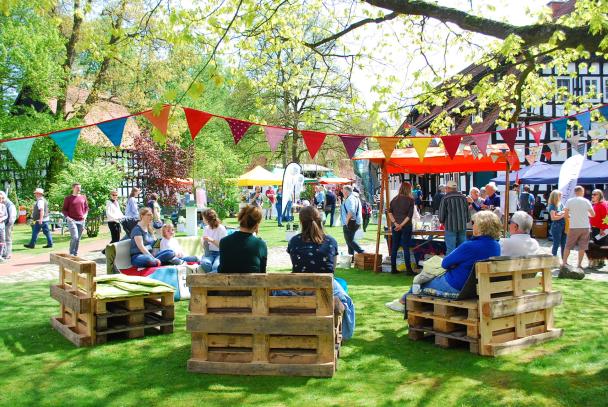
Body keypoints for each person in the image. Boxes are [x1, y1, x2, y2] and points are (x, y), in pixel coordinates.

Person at [386, 211, 501, 312]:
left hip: (457, 286)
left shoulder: (470, 246)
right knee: (430, 276)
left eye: (474, 222)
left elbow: (445, 263)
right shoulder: (496, 246)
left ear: (481, 226)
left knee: (422, 280)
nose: (472, 225)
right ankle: (403, 301)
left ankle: (403, 302)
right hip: (477, 287)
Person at [287, 206, 338, 273]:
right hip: (325, 282)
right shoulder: (331, 241)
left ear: (301, 222)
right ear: (320, 220)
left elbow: (295, 263)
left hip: (299, 282)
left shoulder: (294, 241)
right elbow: (332, 269)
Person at [218, 205, 267, 273]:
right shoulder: (260, 245)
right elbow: (262, 272)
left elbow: (222, 269)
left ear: (240, 221)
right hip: (253, 283)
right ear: (256, 225)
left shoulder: (224, 241)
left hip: (229, 283)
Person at [563, 186, 595, 268]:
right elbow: (593, 214)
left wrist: (572, 215)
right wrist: (585, 214)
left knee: (568, 246)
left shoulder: (569, 201)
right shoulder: (586, 201)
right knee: (582, 246)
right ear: (582, 192)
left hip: (573, 226)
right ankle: (579, 264)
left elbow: (565, 215)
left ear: (575, 192)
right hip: (585, 226)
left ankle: (564, 263)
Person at [388, 182, 415, 274]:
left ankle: (393, 268)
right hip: (406, 226)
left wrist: (396, 224)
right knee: (405, 247)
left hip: (395, 226)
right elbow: (409, 216)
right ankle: (408, 269)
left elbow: (389, 213)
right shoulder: (410, 200)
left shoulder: (394, 199)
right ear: (409, 189)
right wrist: (402, 225)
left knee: (394, 247)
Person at [438, 180, 470, 255]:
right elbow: (467, 212)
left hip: (450, 226)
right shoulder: (463, 198)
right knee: (462, 248)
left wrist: (442, 221)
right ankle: (462, 265)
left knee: (450, 249)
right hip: (462, 225)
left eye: (446, 188)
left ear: (448, 188)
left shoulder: (445, 198)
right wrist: (466, 220)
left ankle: (450, 266)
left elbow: (442, 214)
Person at [62, 183, 89, 256]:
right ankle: (71, 253)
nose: (79, 189)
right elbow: (64, 210)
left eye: (80, 188)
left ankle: (75, 253)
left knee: (78, 239)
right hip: (72, 221)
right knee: (75, 237)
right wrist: (68, 218)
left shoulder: (83, 197)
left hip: (81, 221)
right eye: (77, 188)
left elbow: (86, 208)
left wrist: (85, 215)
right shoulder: (68, 198)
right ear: (73, 188)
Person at [341, 185, 365, 258]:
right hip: (355, 222)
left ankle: (362, 252)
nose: (342, 192)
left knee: (349, 241)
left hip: (350, 222)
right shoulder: (354, 197)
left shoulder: (350, 199)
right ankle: (351, 258)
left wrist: (347, 222)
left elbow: (351, 211)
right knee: (350, 241)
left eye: (343, 190)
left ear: (346, 191)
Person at [200, 209, 227, 273]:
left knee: (216, 266)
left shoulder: (221, 229)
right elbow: (203, 241)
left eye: (203, 218)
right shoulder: (206, 228)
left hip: (220, 253)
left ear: (207, 219)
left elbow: (223, 246)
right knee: (205, 263)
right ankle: (212, 277)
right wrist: (203, 242)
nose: (202, 219)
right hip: (209, 253)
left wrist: (212, 240)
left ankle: (210, 277)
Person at [587, 189, 608, 268]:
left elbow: (606, 217)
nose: (593, 196)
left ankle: (596, 262)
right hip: (597, 228)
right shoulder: (597, 204)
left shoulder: (602, 204)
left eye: (595, 194)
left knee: (597, 246)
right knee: (600, 245)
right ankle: (600, 261)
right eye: (592, 194)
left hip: (600, 229)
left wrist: (602, 228)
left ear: (600, 196)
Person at [547, 190, 567, 259]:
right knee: (556, 244)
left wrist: (563, 213)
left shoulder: (560, 204)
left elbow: (565, 212)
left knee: (564, 244)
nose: (561, 197)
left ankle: (564, 261)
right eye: (560, 195)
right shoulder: (552, 206)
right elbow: (553, 218)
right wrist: (562, 215)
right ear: (556, 197)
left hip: (563, 225)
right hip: (556, 226)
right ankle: (553, 259)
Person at [0, 191, 16, 260]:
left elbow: (12, 216)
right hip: (3, 224)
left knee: (8, 239)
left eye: (2, 198)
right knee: (2, 239)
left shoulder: (10, 204)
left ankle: (8, 254)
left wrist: (9, 225)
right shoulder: (3, 204)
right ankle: (3, 253)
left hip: (7, 224)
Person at [0, 193, 6, 262]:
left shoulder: (3, 206)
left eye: (1, 199)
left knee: (2, 240)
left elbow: (6, 215)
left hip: (1, 225)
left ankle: (0, 255)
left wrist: (2, 218)